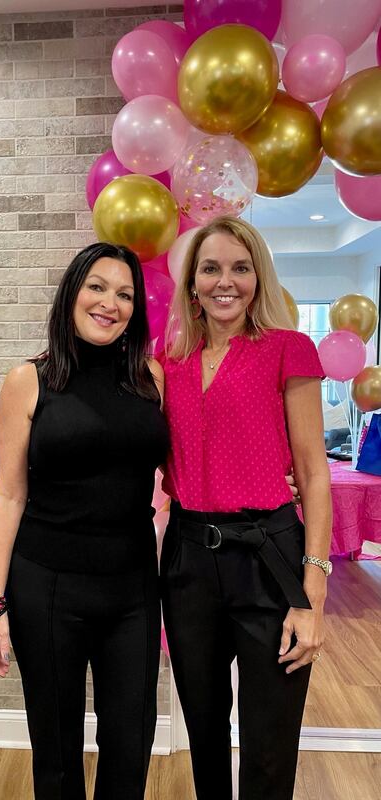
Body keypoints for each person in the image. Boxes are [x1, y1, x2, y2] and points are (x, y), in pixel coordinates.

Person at [0, 242, 170, 800]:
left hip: (133, 588)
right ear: (72, 293)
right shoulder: (28, 380)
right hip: (48, 587)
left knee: (130, 745)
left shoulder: (150, 376)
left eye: (125, 293)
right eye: (97, 287)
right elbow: (10, 493)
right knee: (56, 752)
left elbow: (186, 462)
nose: (110, 303)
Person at [160, 216, 332, 800]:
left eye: (240, 267)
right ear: (192, 281)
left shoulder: (289, 349)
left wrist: (313, 591)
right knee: (204, 732)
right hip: (187, 561)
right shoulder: (170, 357)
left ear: (259, 276)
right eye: (211, 268)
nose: (225, 281)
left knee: (268, 743)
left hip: (270, 557)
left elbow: (313, 474)